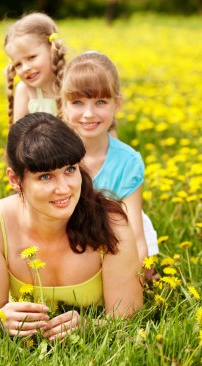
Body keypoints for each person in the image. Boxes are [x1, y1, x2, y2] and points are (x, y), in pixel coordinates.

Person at [0, 112, 143, 340]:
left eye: (70, 170)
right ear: (14, 179)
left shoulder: (111, 223)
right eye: (45, 177)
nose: (64, 189)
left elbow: (130, 318)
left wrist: (91, 327)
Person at [60, 51, 159, 263]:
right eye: (77, 102)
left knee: (146, 274)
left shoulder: (127, 161)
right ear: (64, 105)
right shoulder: (55, 155)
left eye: (100, 102)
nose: (88, 113)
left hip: (114, 242)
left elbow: (136, 237)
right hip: (64, 243)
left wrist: (136, 279)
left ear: (117, 104)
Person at [4, 12, 66, 126]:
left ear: (52, 49)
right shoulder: (25, 91)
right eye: (18, 64)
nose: (26, 68)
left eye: (31, 57)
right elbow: (18, 137)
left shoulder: (73, 82)